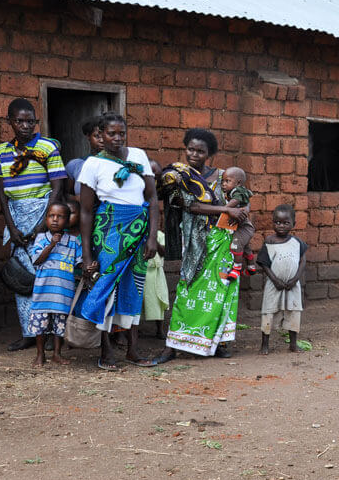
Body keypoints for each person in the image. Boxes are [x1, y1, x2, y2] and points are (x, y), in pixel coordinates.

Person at [154, 129, 247, 364]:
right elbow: (189, 206)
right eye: (191, 149)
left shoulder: (226, 176)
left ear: (210, 154)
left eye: (200, 151)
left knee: (222, 292)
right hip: (194, 243)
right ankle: (172, 345)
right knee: (187, 290)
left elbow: (243, 200)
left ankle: (216, 343)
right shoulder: (179, 177)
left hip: (223, 243)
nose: (194, 154)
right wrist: (226, 209)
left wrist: (239, 212)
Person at [75, 112, 158, 370]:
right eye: (112, 133)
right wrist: (87, 255)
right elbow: (86, 211)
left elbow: (153, 199)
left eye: (122, 133)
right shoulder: (93, 164)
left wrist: (153, 236)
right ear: (100, 134)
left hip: (139, 229)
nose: (117, 138)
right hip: (109, 231)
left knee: (135, 288)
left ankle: (133, 350)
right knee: (106, 289)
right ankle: (106, 351)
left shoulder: (138, 156)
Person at [0, 98, 66, 352]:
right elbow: (2, 192)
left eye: (30, 121)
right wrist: (12, 227)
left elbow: (58, 186)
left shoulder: (47, 147)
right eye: (19, 121)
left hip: (43, 215)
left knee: (46, 276)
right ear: (9, 122)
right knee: (21, 277)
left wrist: (43, 225)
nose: (25, 125)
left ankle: (49, 334)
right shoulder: (1, 152)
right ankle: (29, 333)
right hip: (16, 217)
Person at [27, 202, 82, 366]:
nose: (55, 220)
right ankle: (40, 354)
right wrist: (51, 244)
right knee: (40, 326)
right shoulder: (40, 238)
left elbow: (79, 263)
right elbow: (36, 260)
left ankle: (57, 354)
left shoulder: (73, 241)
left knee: (60, 326)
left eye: (60, 217)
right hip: (43, 293)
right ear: (46, 219)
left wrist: (88, 265)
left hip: (63, 294)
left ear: (67, 221)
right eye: (52, 216)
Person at [258, 204, 307, 354]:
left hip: (293, 285)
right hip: (274, 285)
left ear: (294, 224)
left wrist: (294, 280)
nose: (281, 226)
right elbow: (264, 264)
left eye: (286, 223)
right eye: (277, 222)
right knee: (268, 312)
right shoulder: (269, 241)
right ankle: (265, 345)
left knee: (294, 312)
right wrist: (275, 280)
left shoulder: (297, 243)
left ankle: (293, 344)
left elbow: (302, 261)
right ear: (273, 222)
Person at [141, 160, 170, 339]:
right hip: (141, 269)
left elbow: (165, 251)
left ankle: (159, 329)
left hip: (155, 271)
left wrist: (153, 238)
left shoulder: (160, 235)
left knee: (157, 300)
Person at [219, 166, 257, 281]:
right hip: (241, 228)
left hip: (244, 228)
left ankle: (237, 269)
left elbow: (236, 201)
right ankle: (251, 267)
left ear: (238, 183)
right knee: (245, 247)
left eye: (228, 181)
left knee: (235, 246)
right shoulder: (233, 191)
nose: (224, 184)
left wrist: (224, 209)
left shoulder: (237, 192)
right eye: (223, 181)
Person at [65, 116, 103, 198]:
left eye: (104, 136)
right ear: (88, 136)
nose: (102, 140)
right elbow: (67, 194)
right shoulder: (76, 165)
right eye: (97, 136)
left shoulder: (116, 165)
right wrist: (76, 198)